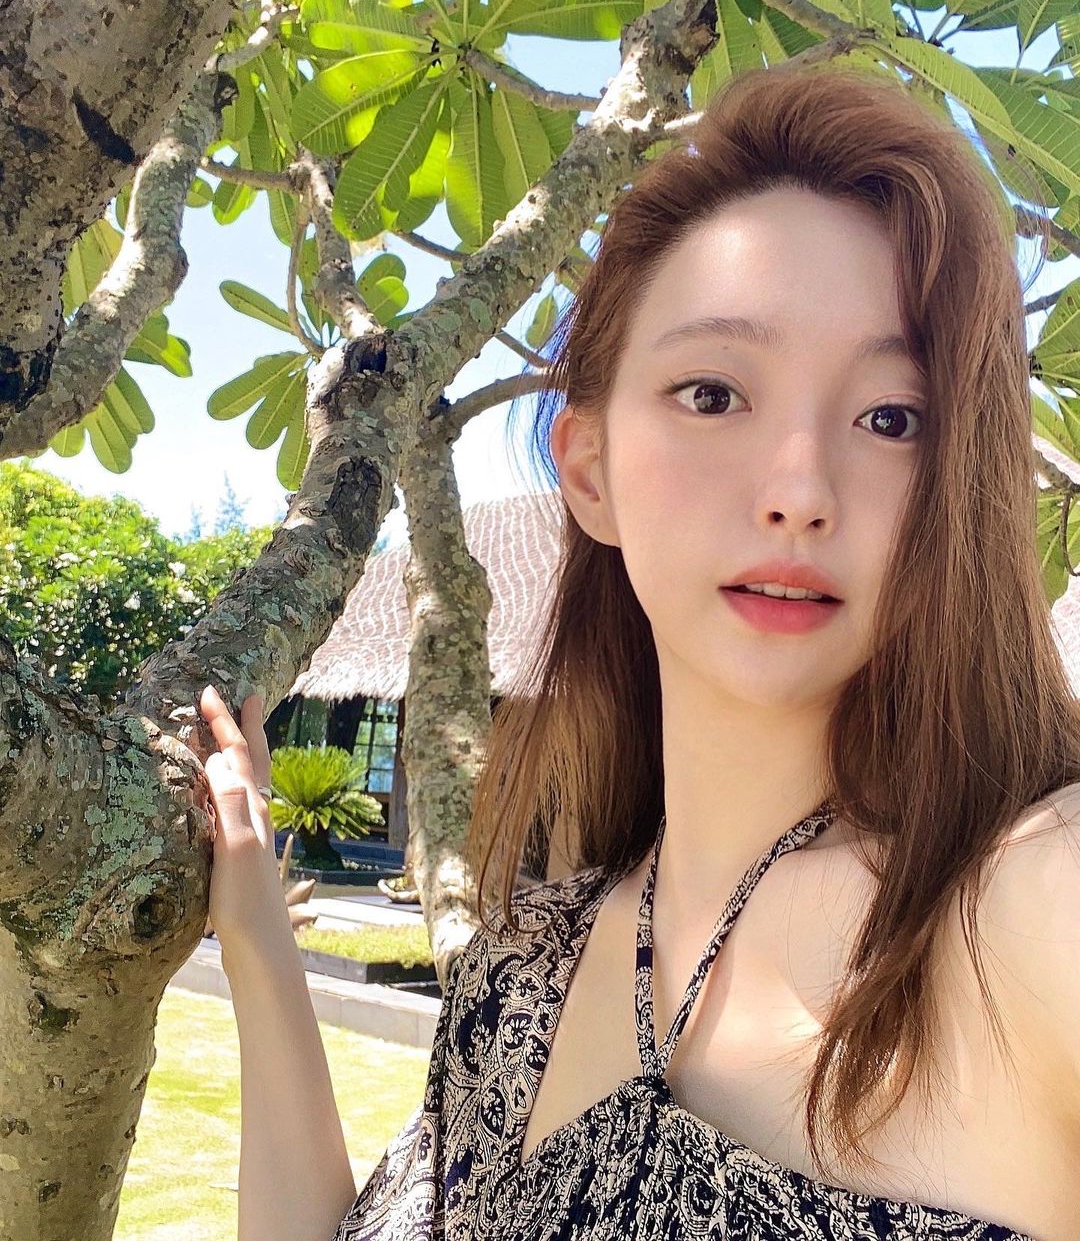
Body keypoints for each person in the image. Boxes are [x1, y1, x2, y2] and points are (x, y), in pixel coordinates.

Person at [199, 63, 1080, 1241]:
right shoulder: (522, 967)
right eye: (713, 394)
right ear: (590, 470)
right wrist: (255, 938)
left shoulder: (1022, 909)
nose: (800, 490)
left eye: (892, 418)